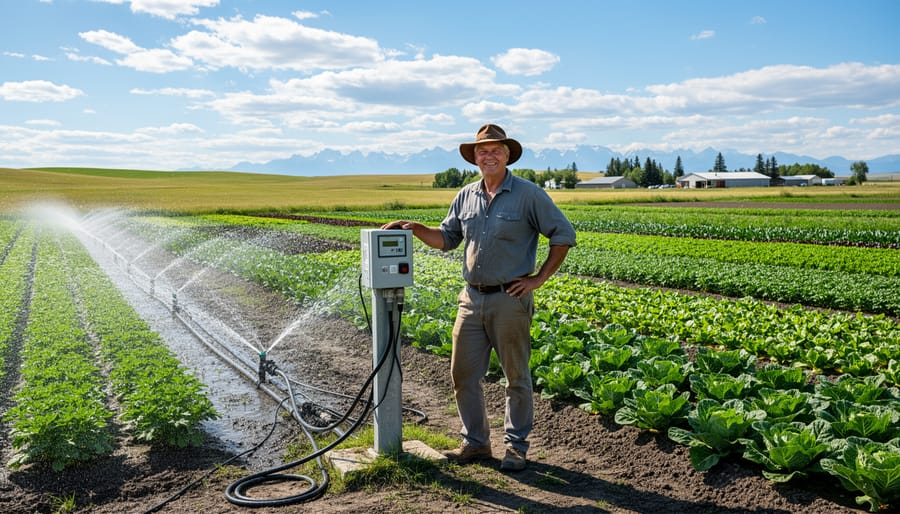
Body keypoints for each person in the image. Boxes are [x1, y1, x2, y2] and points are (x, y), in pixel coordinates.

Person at [382, 124, 576, 471]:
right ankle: (476, 443)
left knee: (516, 377)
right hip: (471, 299)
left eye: (496, 150)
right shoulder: (466, 195)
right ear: (474, 157)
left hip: (509, 300)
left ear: (507, 155)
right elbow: (447, 237)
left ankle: (516, 447)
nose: (489, 155)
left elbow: (563, 235)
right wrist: (414, 228)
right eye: (482, 151)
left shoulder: (528, 195)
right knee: (462, 374)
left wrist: (538, 279)